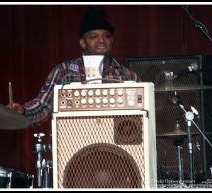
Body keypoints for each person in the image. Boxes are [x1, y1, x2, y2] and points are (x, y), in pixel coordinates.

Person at [10, 7, 140, 128]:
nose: (101, 40)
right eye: (93, 36)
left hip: (117, 149)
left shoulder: (128, 76)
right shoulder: (64, 72)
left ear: (112, 41)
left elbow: (142, 117)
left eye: (106, 36)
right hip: (74, 146)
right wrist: (23, 110)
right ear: (83, 43)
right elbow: (43, 107)